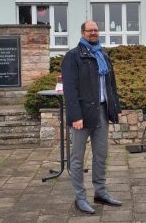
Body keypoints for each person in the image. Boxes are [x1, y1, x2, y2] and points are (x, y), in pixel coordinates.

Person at [62, 20, 122, 214]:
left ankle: (100, 192)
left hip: (101, 113)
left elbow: (111, 86)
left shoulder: (103, 55)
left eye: (96, 30)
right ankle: (80, 197)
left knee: (101, 155)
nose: (93, 33)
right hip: (82, 115)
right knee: (78, 158)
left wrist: (115, 108)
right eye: (90, 30)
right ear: (82, 33)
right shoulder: (73, 56)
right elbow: (70, 90)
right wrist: (75, 116)